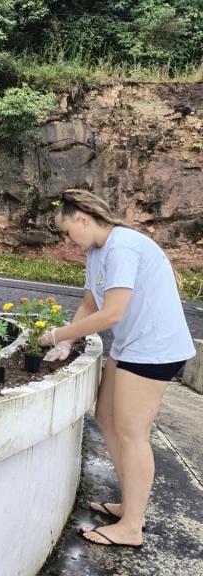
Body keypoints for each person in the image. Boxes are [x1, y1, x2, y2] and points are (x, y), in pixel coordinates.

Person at [39, 188, 195, 548]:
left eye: (67, 232)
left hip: (154, 348)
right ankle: (130, 504)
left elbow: (112, 313)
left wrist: (57, 334)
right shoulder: (97, 252)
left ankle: (132, 526)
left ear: (83, 219)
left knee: (132, 433)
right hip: (132, 345)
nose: (67, 241)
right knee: (106, 417)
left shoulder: (122, 246)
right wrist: (67, 341)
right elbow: (90, 303)